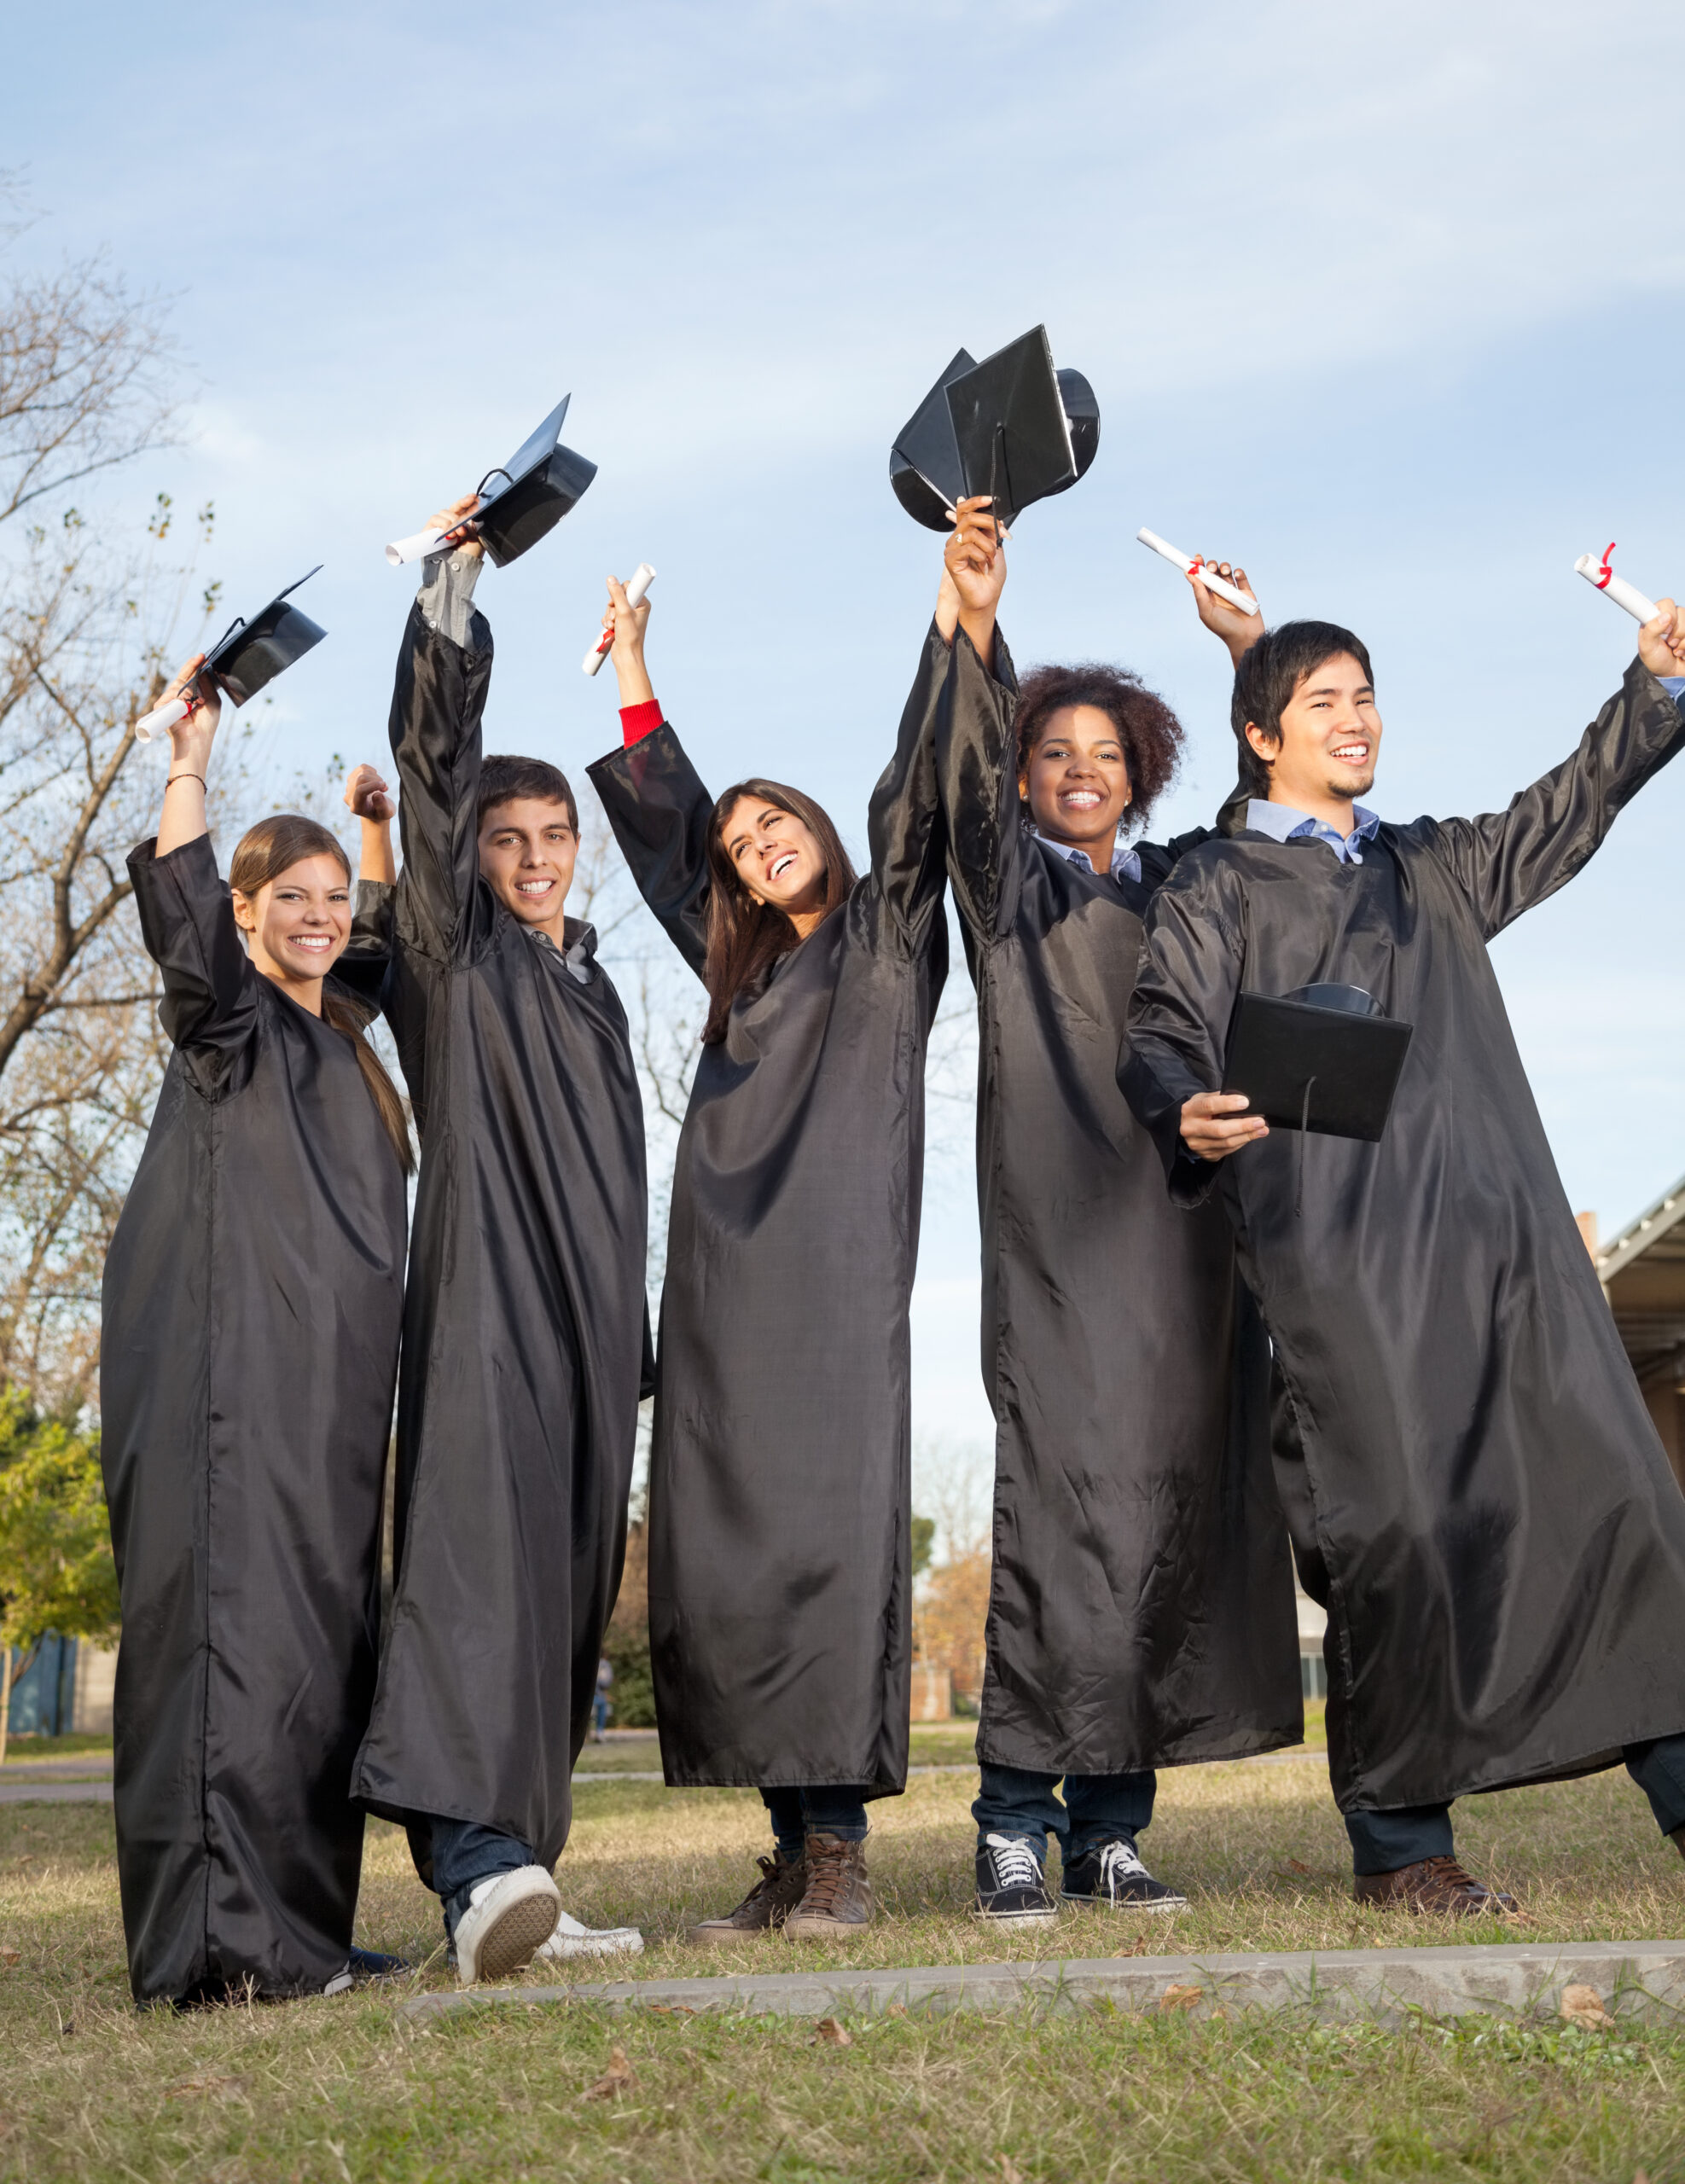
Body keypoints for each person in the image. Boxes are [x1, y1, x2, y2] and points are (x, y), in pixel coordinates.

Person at [1121, 586, 1685, 1912]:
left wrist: (1650, 684)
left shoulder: (1427, 866)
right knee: (1396, 1539)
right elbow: (1158, 1025)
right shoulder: (1215, 881)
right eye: (1323, 701)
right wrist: (1177, 1102)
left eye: (1365, 694)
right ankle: (1400, 1849)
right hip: (1338, 1271)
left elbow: (1568, 808)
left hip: (1501, 1255)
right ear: (1262, 737)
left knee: (1617, 1511)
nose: (1355, 718)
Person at [933, 501, 1299, 1924]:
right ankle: (1015, 1821)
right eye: (1052, 754)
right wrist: (976, 623)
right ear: (1023, 777)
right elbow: (957, 793)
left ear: (1139, 772)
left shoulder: (1186, 887)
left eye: (1104, 755)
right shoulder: (1009, 890)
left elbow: (1271, 843)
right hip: (1060, 1234)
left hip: (1188, 1227)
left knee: (1169, 1515)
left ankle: (1113, 1828)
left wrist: (1251, 650)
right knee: (1062, 1516)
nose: (1080, 773)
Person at [585, 562, 949, 1943]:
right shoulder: (738, 972)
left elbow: (919, 794)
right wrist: (633, 667)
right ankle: (791, 1849)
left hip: (838, 1302)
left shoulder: (888, 944)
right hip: (726, 1308)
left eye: (773, 820)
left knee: (827, 1556)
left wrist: (955, 621)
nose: (752, 842)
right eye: (739, 841)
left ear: (820, 829)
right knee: (735, 1569)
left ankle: (845, 1851)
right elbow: (667, 839)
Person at [352, 499, 648, 1984]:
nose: (532, 859)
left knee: (562, 1600)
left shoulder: (587, 984)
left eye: (553, 840)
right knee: (475, 1579)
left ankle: (528, 1874)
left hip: (595, 1341)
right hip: (486, 1315)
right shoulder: (450, 957)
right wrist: (452, 606)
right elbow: (430, 769)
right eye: (506, 841)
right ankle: (471, 1872)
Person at [100, 658, 410, 2005]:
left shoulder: (342, 1038)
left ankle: (306, 1931)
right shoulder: (226, 1025)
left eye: (333, 902)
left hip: (330, 1409)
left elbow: (388, 945)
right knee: (238, 1647)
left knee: (316, 1658)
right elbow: (178, 905)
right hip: (233, 1395)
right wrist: (188, 762)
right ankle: (229, 1949)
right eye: (292, 898)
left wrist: (377, 835)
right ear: (244, 911)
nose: (320, 919)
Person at [594, 1657, 613, 1742]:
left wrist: (596, 1679)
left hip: (597, 1696)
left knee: (602, 1702)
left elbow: (606, 1683)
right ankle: (599, 1731)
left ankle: (600, 1732)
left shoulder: (604, 1665)